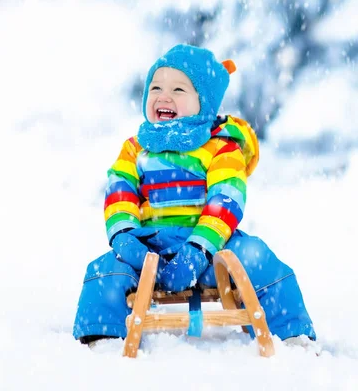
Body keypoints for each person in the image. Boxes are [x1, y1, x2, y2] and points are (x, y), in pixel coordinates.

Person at [72, 44, 316, 348]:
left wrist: (199, 249)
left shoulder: (220, 147)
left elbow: (226, 198)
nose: (164, 95)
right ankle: (101, 333)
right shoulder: (137, 149)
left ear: (204, 103)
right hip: (150, 245)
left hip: (213, 249)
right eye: (156, 87)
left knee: (257, 257)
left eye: (178, 89)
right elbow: (119, 189)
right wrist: (123, 234)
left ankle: (289, 332)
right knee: (105, 269)